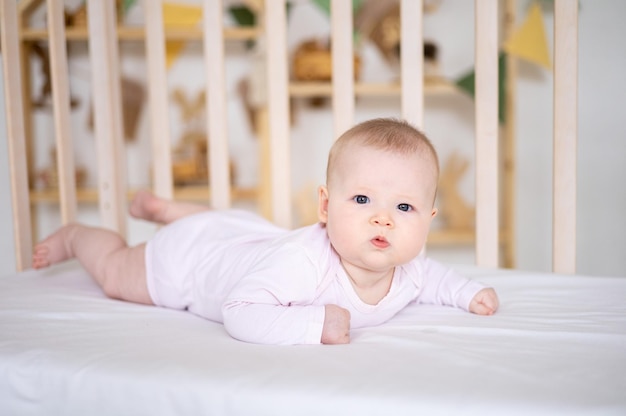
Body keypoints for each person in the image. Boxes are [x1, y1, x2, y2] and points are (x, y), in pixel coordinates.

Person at [32, 118, 499, 345]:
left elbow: (435, 278)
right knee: (117, 274)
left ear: (428, 220)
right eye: (361, 200)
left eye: (404, 207)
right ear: (324, 206)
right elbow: (239, 310)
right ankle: (79, 236)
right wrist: (315, 324)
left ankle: (171, 209)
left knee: (230, 228)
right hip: (193, 261)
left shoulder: (409, 268)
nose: (384, 219)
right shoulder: (302, 262)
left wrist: (468, 293)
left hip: (246, 235)